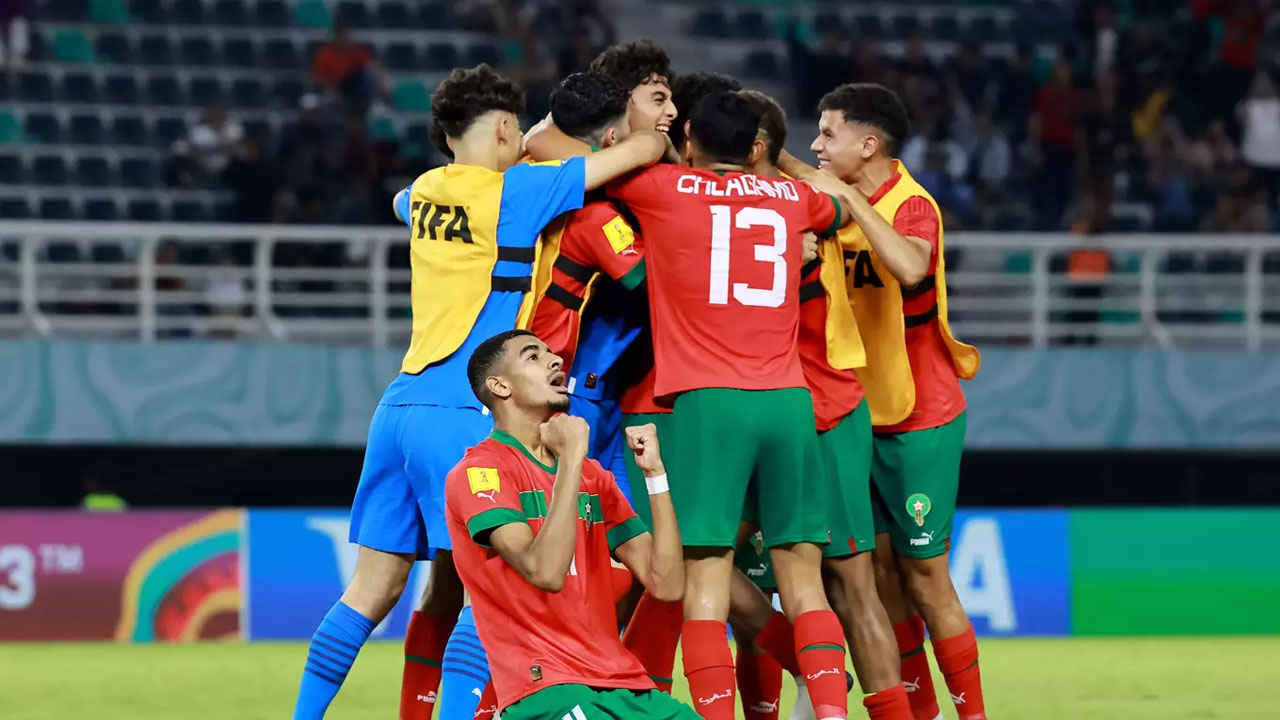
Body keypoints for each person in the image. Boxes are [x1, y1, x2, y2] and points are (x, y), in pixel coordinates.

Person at [291, 63, 669, 720]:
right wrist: (633, 116)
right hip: (463, 409)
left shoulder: (421, 193)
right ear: (502, 130)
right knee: (484, 593)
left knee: (369, 592)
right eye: (516, 130)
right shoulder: (519, 193)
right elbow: (645, 150)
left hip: (400, 406)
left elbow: (400, 203)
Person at [608, 90, 856, 720]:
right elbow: (835, 207)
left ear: (689, 135)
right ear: (755, 147)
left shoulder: (662, 188)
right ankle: (830, 712)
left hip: (707, 403)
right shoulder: (796, 198)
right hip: (789, 402)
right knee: (803, 581)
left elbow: (582, 163)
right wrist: (786, 170)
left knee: (706, 584)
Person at [787, 82, 985, 720]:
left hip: (918, 416)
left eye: (827, 134)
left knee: (926, 579)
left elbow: (908, 267)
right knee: (876, 582)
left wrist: (847, 201)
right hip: (850, 414)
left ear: (867, 144)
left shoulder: (912, 203)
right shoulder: (825, 193)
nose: (815, 145)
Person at [445, 328, 696, 720]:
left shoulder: (593, 476)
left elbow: (666, 583)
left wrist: (655, 475)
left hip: (625, 684)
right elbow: (544, 571)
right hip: (545, 688)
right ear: (500, 386)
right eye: (532, 356)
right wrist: (572, 459)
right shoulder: (480, 473)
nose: (555, 360)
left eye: (551, 354)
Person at [525, 39, 677, 157]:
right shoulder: (571, 155)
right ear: (622, 101)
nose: (673, 111)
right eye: (658, 100)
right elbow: (539, 141)